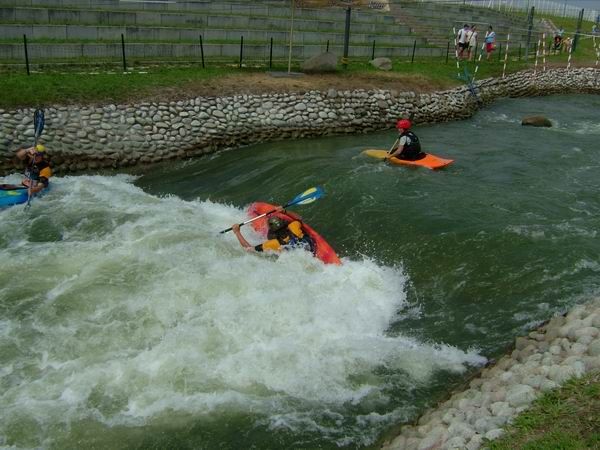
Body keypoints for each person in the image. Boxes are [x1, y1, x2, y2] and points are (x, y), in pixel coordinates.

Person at [231, 208, 315, 255]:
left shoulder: (274, 243)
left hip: (297, 256)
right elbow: (299, 218)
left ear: (272, 231)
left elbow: (249, 249)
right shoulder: (294, 226)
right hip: (309, 249)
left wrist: (237, 232)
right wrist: (284, 211)